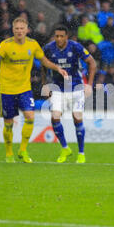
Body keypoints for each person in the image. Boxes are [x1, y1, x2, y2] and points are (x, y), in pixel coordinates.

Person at [0, 17, 68, 163]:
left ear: (27, 30)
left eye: (21, 28)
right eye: (16, 28)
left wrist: (58, 68)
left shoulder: (33, 44)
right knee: (9, 124)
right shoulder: (6, 45)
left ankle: (23, 150)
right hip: (7, 90)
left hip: (24, 89)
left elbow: (44, 60)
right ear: (13, 30)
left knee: (30, 117)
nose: (19, 31)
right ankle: (9, 154)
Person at [42, 25, 97, 163]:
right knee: (55, 117)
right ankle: (65, 148)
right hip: (58, 88)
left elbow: (92, 63)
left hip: (76, 87)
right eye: (57, 36)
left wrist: (89, 85)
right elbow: (43, 65)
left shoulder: (75, 47)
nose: (59, 39)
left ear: (66, 37)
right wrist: (45, 85)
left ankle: (81, 152)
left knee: (77, 118)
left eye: (61, 36)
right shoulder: (49, 48)